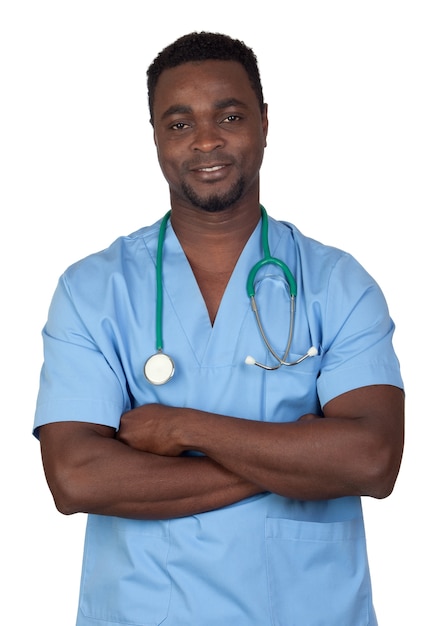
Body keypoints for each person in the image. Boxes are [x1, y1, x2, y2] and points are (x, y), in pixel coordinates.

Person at [34, 31, 404, 626]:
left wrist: (180, 426)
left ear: (263, 121)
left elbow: (371, 461)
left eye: (229, 115)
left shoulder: (337, 283)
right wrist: (297, 459)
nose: (207, 140)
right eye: (179, 124)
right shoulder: (93, 290)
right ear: (154, 137)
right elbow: (77, 477)